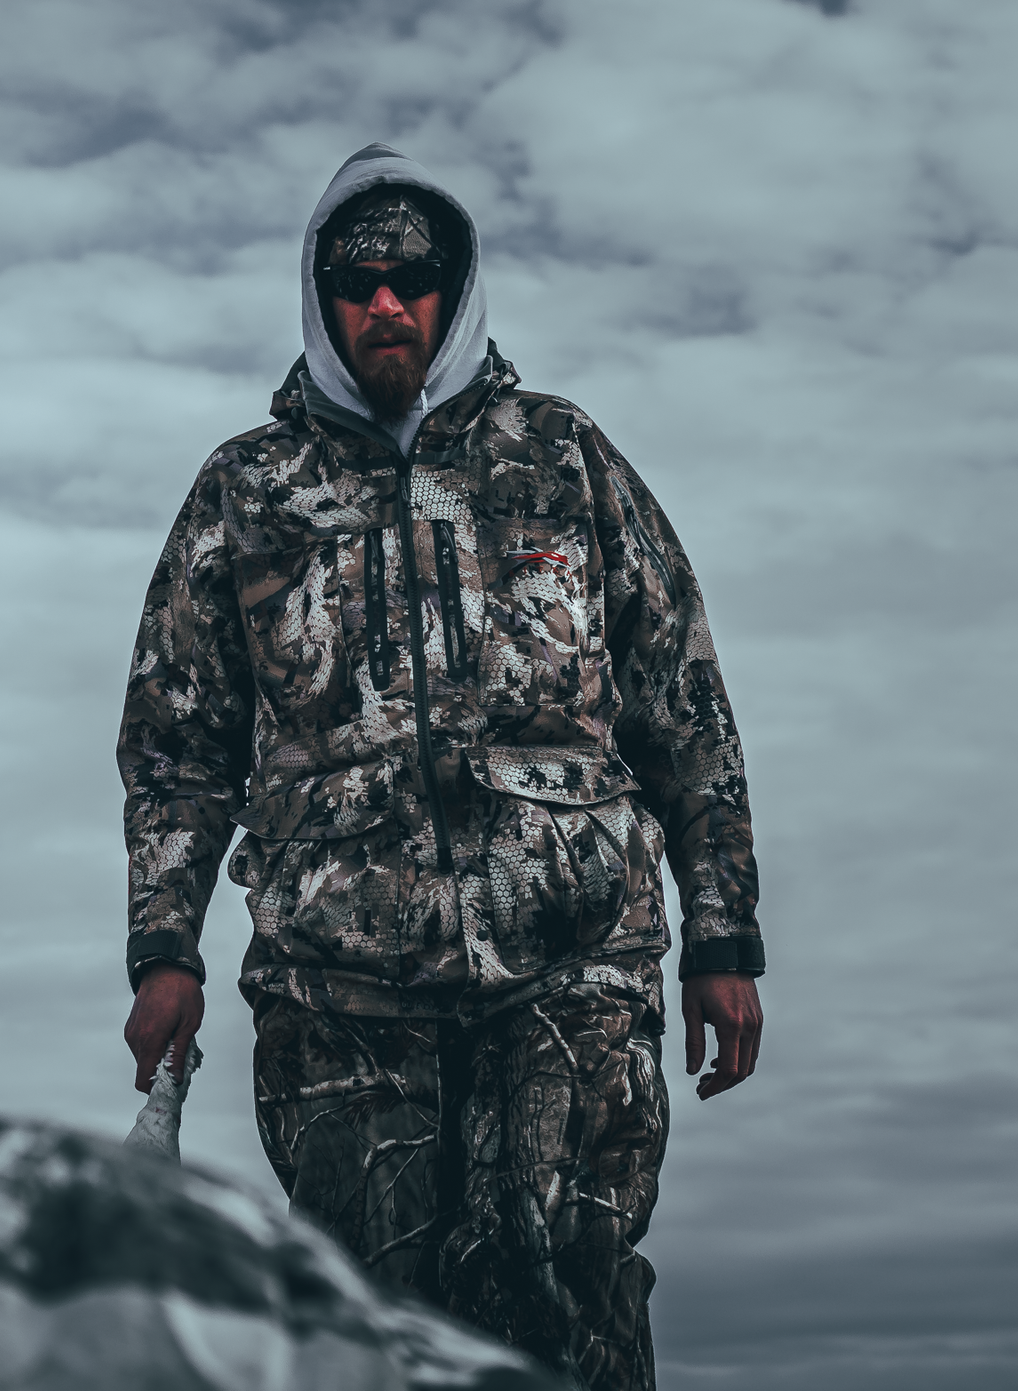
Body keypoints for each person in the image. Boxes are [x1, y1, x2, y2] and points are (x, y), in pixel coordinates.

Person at [116, 144, 764, 1391]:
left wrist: (725, 942)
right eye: (358, 281)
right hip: (339, 995)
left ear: (455, 289)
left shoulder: (565, 456)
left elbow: (682, 700)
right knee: (370, 1331)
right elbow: (177, 743)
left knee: (571, 1300)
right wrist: (165, 949)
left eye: (415, 277)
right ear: (323, 296)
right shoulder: (245, 492)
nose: (387, 304)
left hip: (575, 968)